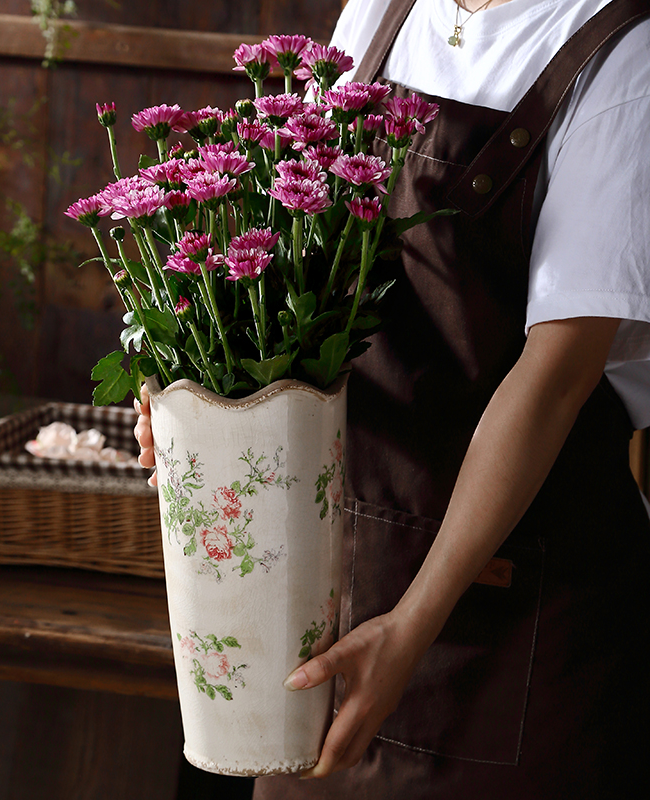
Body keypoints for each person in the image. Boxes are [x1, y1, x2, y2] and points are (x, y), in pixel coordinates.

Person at [135, 0, 650, 796]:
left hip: (520, 625)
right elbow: (291, 260)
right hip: (335, 585)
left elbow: (554, 378)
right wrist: (202, 412)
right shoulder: (385, 11)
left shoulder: (623, 51)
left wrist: (411, 627)